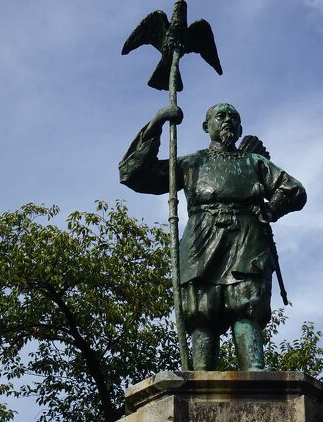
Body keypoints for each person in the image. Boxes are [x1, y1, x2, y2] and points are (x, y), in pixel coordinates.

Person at [119, 102, 306, 371]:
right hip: (201, 242)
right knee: (201, 312)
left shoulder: (254, 162)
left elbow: (294, 190)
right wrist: (158, 122)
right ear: (207, 126)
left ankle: (256, 376)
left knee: (247, 308)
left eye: (234, 117)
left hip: (246, 240)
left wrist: (270, 208)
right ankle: (201, 379)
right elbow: (133, 174)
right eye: (221, 116)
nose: (228, 120)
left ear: (240, 128)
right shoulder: (191, 163)